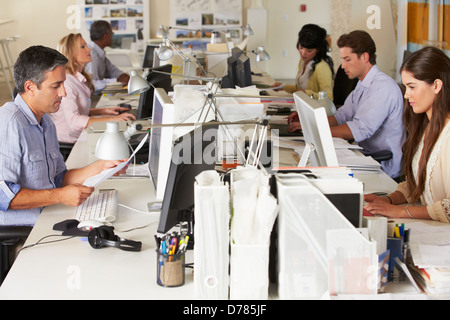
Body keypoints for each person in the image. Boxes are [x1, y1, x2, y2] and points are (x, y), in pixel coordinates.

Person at [0, 45, 127, 226]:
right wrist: (60, 195)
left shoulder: (47, 122)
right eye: (56, 86)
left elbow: (59, 178)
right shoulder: (9, 123)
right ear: (30, 87)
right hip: (27, 231)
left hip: (50, 213)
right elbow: (2, 195)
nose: (63, 93)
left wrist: (101, 167)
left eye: (63, 84)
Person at [290, 30, 405, 179]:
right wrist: (309, 122)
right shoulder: (363, 84)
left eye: (347, 59)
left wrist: (317, 130)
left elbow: (359, 130)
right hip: (364, 156)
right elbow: (341, 116)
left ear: (364, 57)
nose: (343, 66)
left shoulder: (383, 87)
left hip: (382, 166)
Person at [364, 46, 450, 223]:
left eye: (412, 87)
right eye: (405, 87)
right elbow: (417, 184)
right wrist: (387, 200)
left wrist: (399, 212)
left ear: (436, 85)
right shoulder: (426, 126)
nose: (406, 95)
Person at [50, 33, 135, 144]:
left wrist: (103, 111)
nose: (89, 50)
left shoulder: (77, 78)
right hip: (71, 141)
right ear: (71, 53)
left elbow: (78, 110)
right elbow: (74, 121)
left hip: (81, 134)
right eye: (82, 47)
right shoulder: (67, 83)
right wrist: (112, 120)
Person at [274, 24, 334, 100]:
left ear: (318, 49)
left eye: (309, 51)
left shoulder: (321, 67)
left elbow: (328, 98)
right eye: (301, 48)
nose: (303, 53)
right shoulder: (303, 61)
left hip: (314, 108)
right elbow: (298, 88)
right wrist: (282, 87)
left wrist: (307, 93)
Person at [86, 20, 130, 93]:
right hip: (92, 98)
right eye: (111, 34)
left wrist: (122, 75)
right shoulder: (91, 55)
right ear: (105, 36)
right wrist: (116, 80)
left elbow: (111, 70)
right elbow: (92, 83)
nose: (112, 38)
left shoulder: (99, 52)